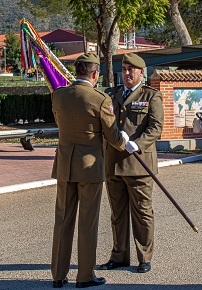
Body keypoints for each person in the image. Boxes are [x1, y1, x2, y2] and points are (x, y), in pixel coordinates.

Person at [50, 53, 130, 288]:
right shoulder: (100, 99)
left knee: (62, 220)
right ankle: (84, 275)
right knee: (87, 222)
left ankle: (58, 275)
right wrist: (124, 141)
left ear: (78, 71)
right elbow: (113, 137)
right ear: (95, 74)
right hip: (90, 168)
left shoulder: (58, 95)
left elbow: (61, 125)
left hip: (65, 165)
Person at [99, 53, 164, 273]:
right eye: (124, 69)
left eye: (130, 70)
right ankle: (119, 256)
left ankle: (144, 257)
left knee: (142, 212)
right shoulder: (112, 94)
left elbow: (156, 127)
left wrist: (138, 143)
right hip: (114, 163)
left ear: (140, 73)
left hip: (139, 164)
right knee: (117, 213)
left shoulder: (151, 96)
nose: (126, 73)